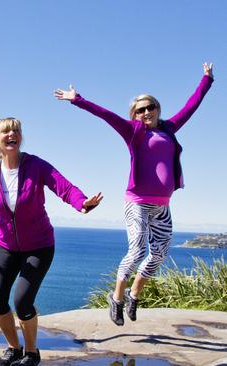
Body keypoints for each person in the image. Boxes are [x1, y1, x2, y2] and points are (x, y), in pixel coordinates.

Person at [54, 63, 214, 326]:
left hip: (162, 205)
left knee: (160, 253)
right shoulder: (133, 132)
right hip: (137, 203)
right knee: (137, 248)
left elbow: (192, 105)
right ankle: (116, 298)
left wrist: (206, 80)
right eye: (141, 110)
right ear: (135, 115)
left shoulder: (169, 129)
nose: (147, 111)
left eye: (151, 107)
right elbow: (106, 116)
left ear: (158, 109)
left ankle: (134, 293)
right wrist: (77, 100)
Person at [0, 119, 102, 366]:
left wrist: (82, 203)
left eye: (16, 130)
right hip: (5, 246)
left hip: (40, 245)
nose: (12, 134)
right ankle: (13, 348)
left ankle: (32, 353)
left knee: (22, 300)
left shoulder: (37, 166)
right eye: (5, 131)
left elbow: (64, 187)